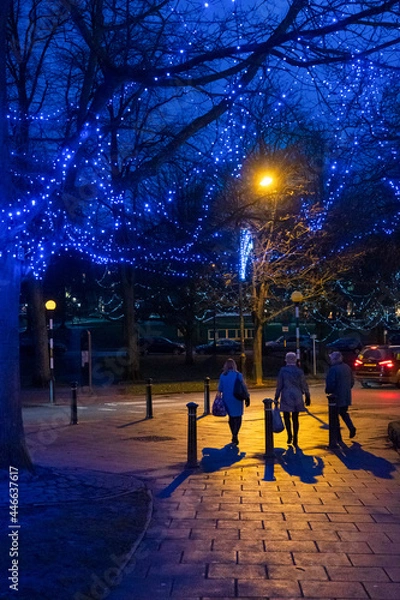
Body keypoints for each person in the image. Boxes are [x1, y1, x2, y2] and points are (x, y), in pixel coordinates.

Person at [274, 352, 311, 446]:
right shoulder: (299, 371)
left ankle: (289, 435)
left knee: (286, 416)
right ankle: (296, 436)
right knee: (295, 417)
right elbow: (303, 383)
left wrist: (276, 396)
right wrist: (307, 395)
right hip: (297, 395)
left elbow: (280, 385)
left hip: (286, 395)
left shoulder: (283, 371)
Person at [217, 358, 250, 446]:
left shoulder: (223, 375)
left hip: (227, 398)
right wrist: (247, 397)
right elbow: (243, 386)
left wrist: (218, 398)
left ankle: (233, 433)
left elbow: (220, 388)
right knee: (238, 417)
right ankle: (236, 433)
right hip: (237, 398)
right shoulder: (238, 375)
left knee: (231, 417)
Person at [325, 350, 356, 441]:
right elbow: (352, 382)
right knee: (343, 413)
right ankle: (351, 427)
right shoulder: (347, 367)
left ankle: (337, 437)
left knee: (335, 416)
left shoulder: (333, 369)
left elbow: (331, 383)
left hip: (336, 396)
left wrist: (328, 390)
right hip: (346, 395)